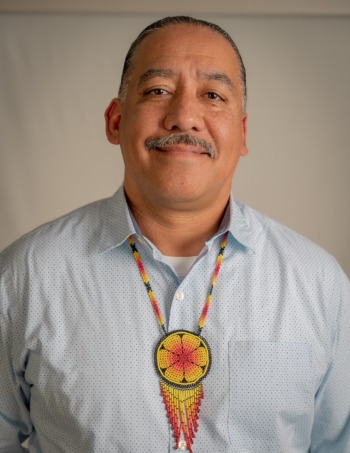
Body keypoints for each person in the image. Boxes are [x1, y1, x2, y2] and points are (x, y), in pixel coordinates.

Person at [0, 15, 349, 453]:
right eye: (158, 91)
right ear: (115, 121)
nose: (184, 115)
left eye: (213, 95)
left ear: (241, 133)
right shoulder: (23, 277)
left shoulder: (319, 283)